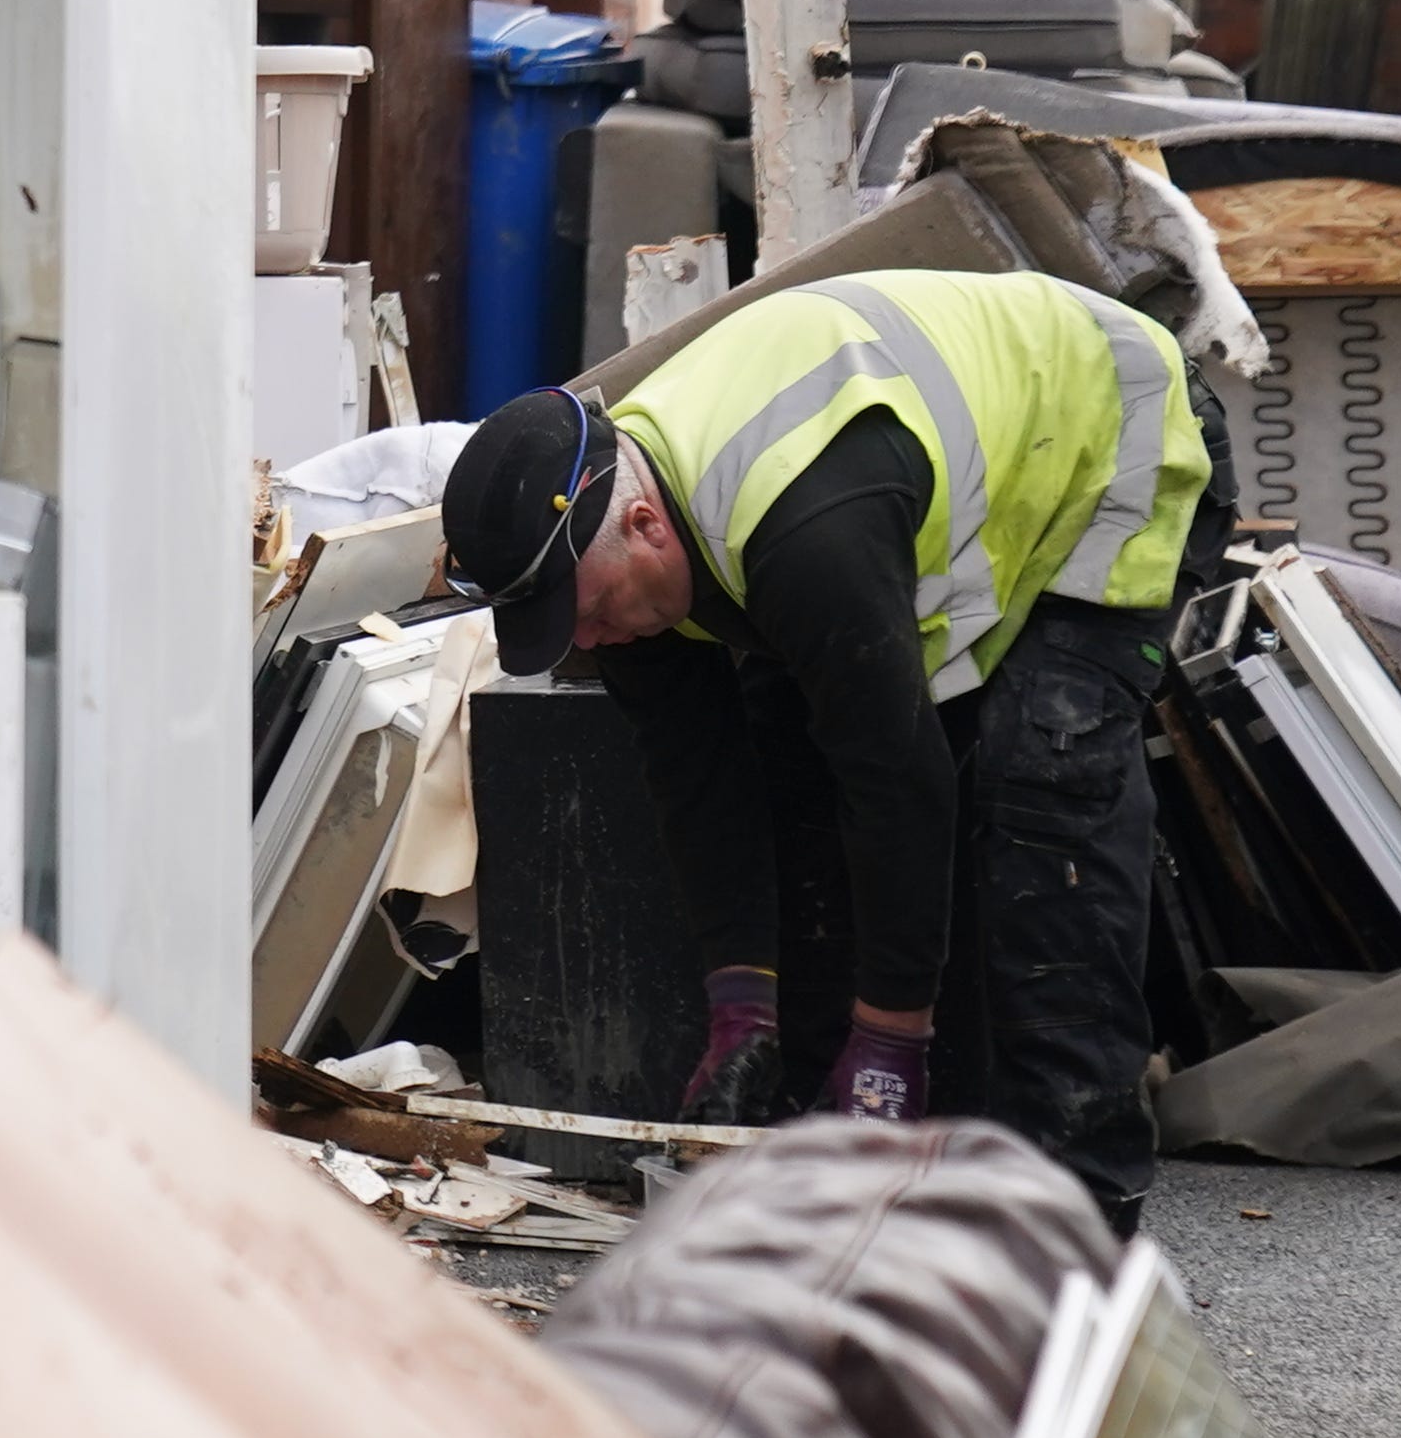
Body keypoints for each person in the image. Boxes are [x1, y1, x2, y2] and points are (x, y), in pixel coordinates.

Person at [436, 265, 1227, 1231]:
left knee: (1041, 797)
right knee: (801, 789)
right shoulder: (611, 553)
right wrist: (742, 1009)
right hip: (923, 497)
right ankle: (848, 1164)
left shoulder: (805, 533)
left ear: (644, 526)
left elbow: (898, 783)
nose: (588, 639)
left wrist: (892, 1042)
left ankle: (1080, 1206)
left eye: (589, 612)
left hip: (1109, 438)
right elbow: (701, 783)